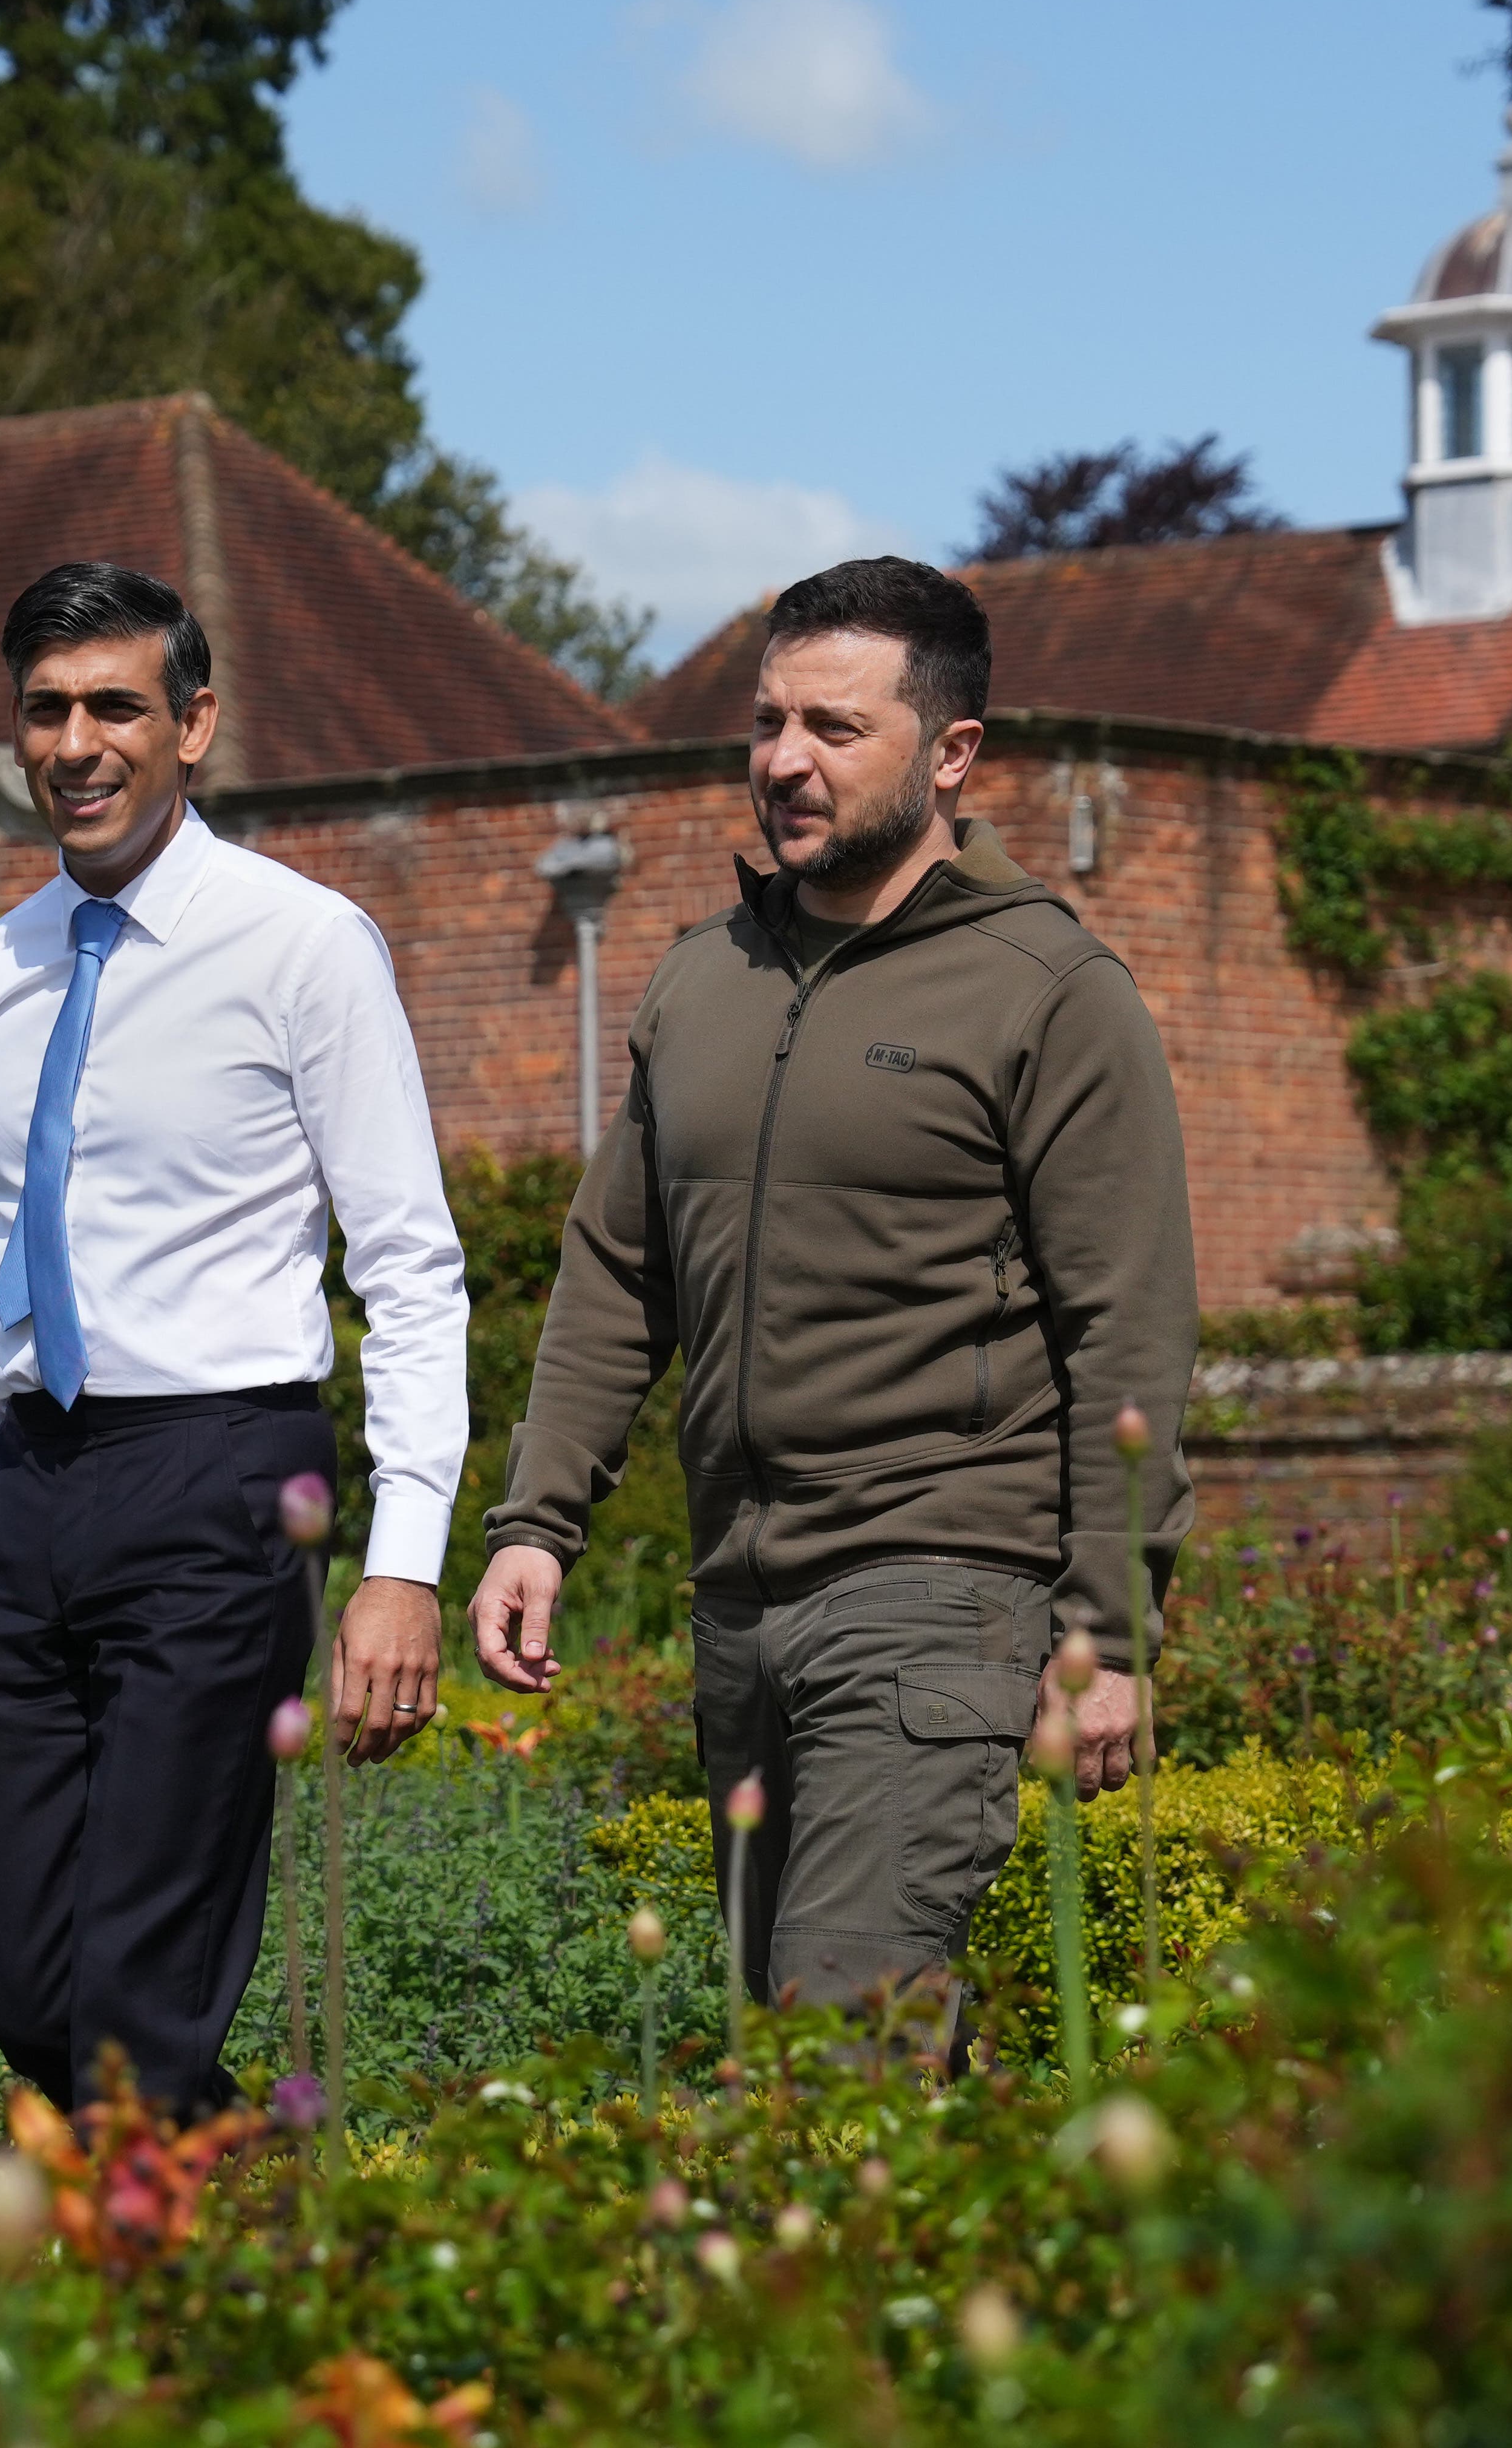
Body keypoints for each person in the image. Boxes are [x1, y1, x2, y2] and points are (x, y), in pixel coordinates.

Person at [471, 555, 1199, 2022]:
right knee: (794, 2056)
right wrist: (537, 1524)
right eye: (767, 723)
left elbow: (1126, 1323)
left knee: (832, 2043)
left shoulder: (1045, 991)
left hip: (940, 1585)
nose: (783, 763)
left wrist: (1109, 1631)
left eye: (833, 729)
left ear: (950, 753)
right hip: (738, 1600)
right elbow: (618, 1271)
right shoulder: (700, 981)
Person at [0, 560, 468, 2118]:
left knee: (145, 1978)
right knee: (26, 1975)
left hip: (219, 1475)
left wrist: (404, 1560)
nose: (74, 743)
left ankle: (146, 2299)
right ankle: (171, 2223)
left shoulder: (303, 946)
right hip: (36, 1482)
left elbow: (407, 1267)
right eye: (44, 710)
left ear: (193, 724)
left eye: (114, 707)